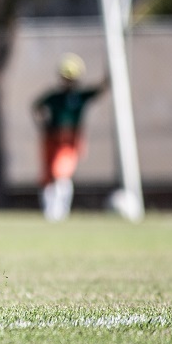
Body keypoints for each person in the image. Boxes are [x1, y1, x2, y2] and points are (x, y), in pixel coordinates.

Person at [32, 53, 109, 222]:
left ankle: (59, 212)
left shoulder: (80, 97)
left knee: (60, 173)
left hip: (69, 141)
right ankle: (50, 212)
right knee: (48, 177)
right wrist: (42, 124)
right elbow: (36, 107)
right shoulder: (54, 96)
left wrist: (110, 64)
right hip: (51, 138)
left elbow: (102, 88)